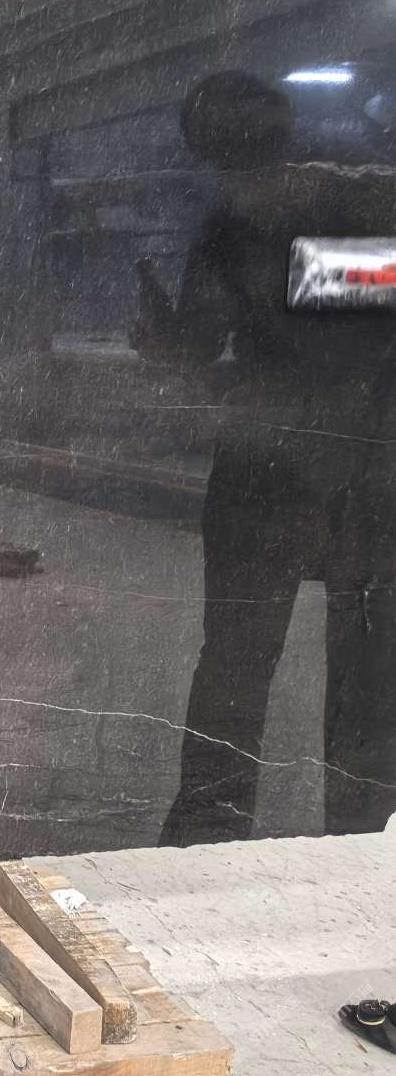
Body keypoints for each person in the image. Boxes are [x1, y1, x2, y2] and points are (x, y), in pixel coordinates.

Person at [137, 71, 396, 842]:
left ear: (204, 152)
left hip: (269, 468)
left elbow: (199, 342)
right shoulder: (366, 197)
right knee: (366, 664)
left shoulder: (228, 230)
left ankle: (206, 836)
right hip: (364, 469)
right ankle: (362, 835)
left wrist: (167, 335)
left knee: (235, 665)